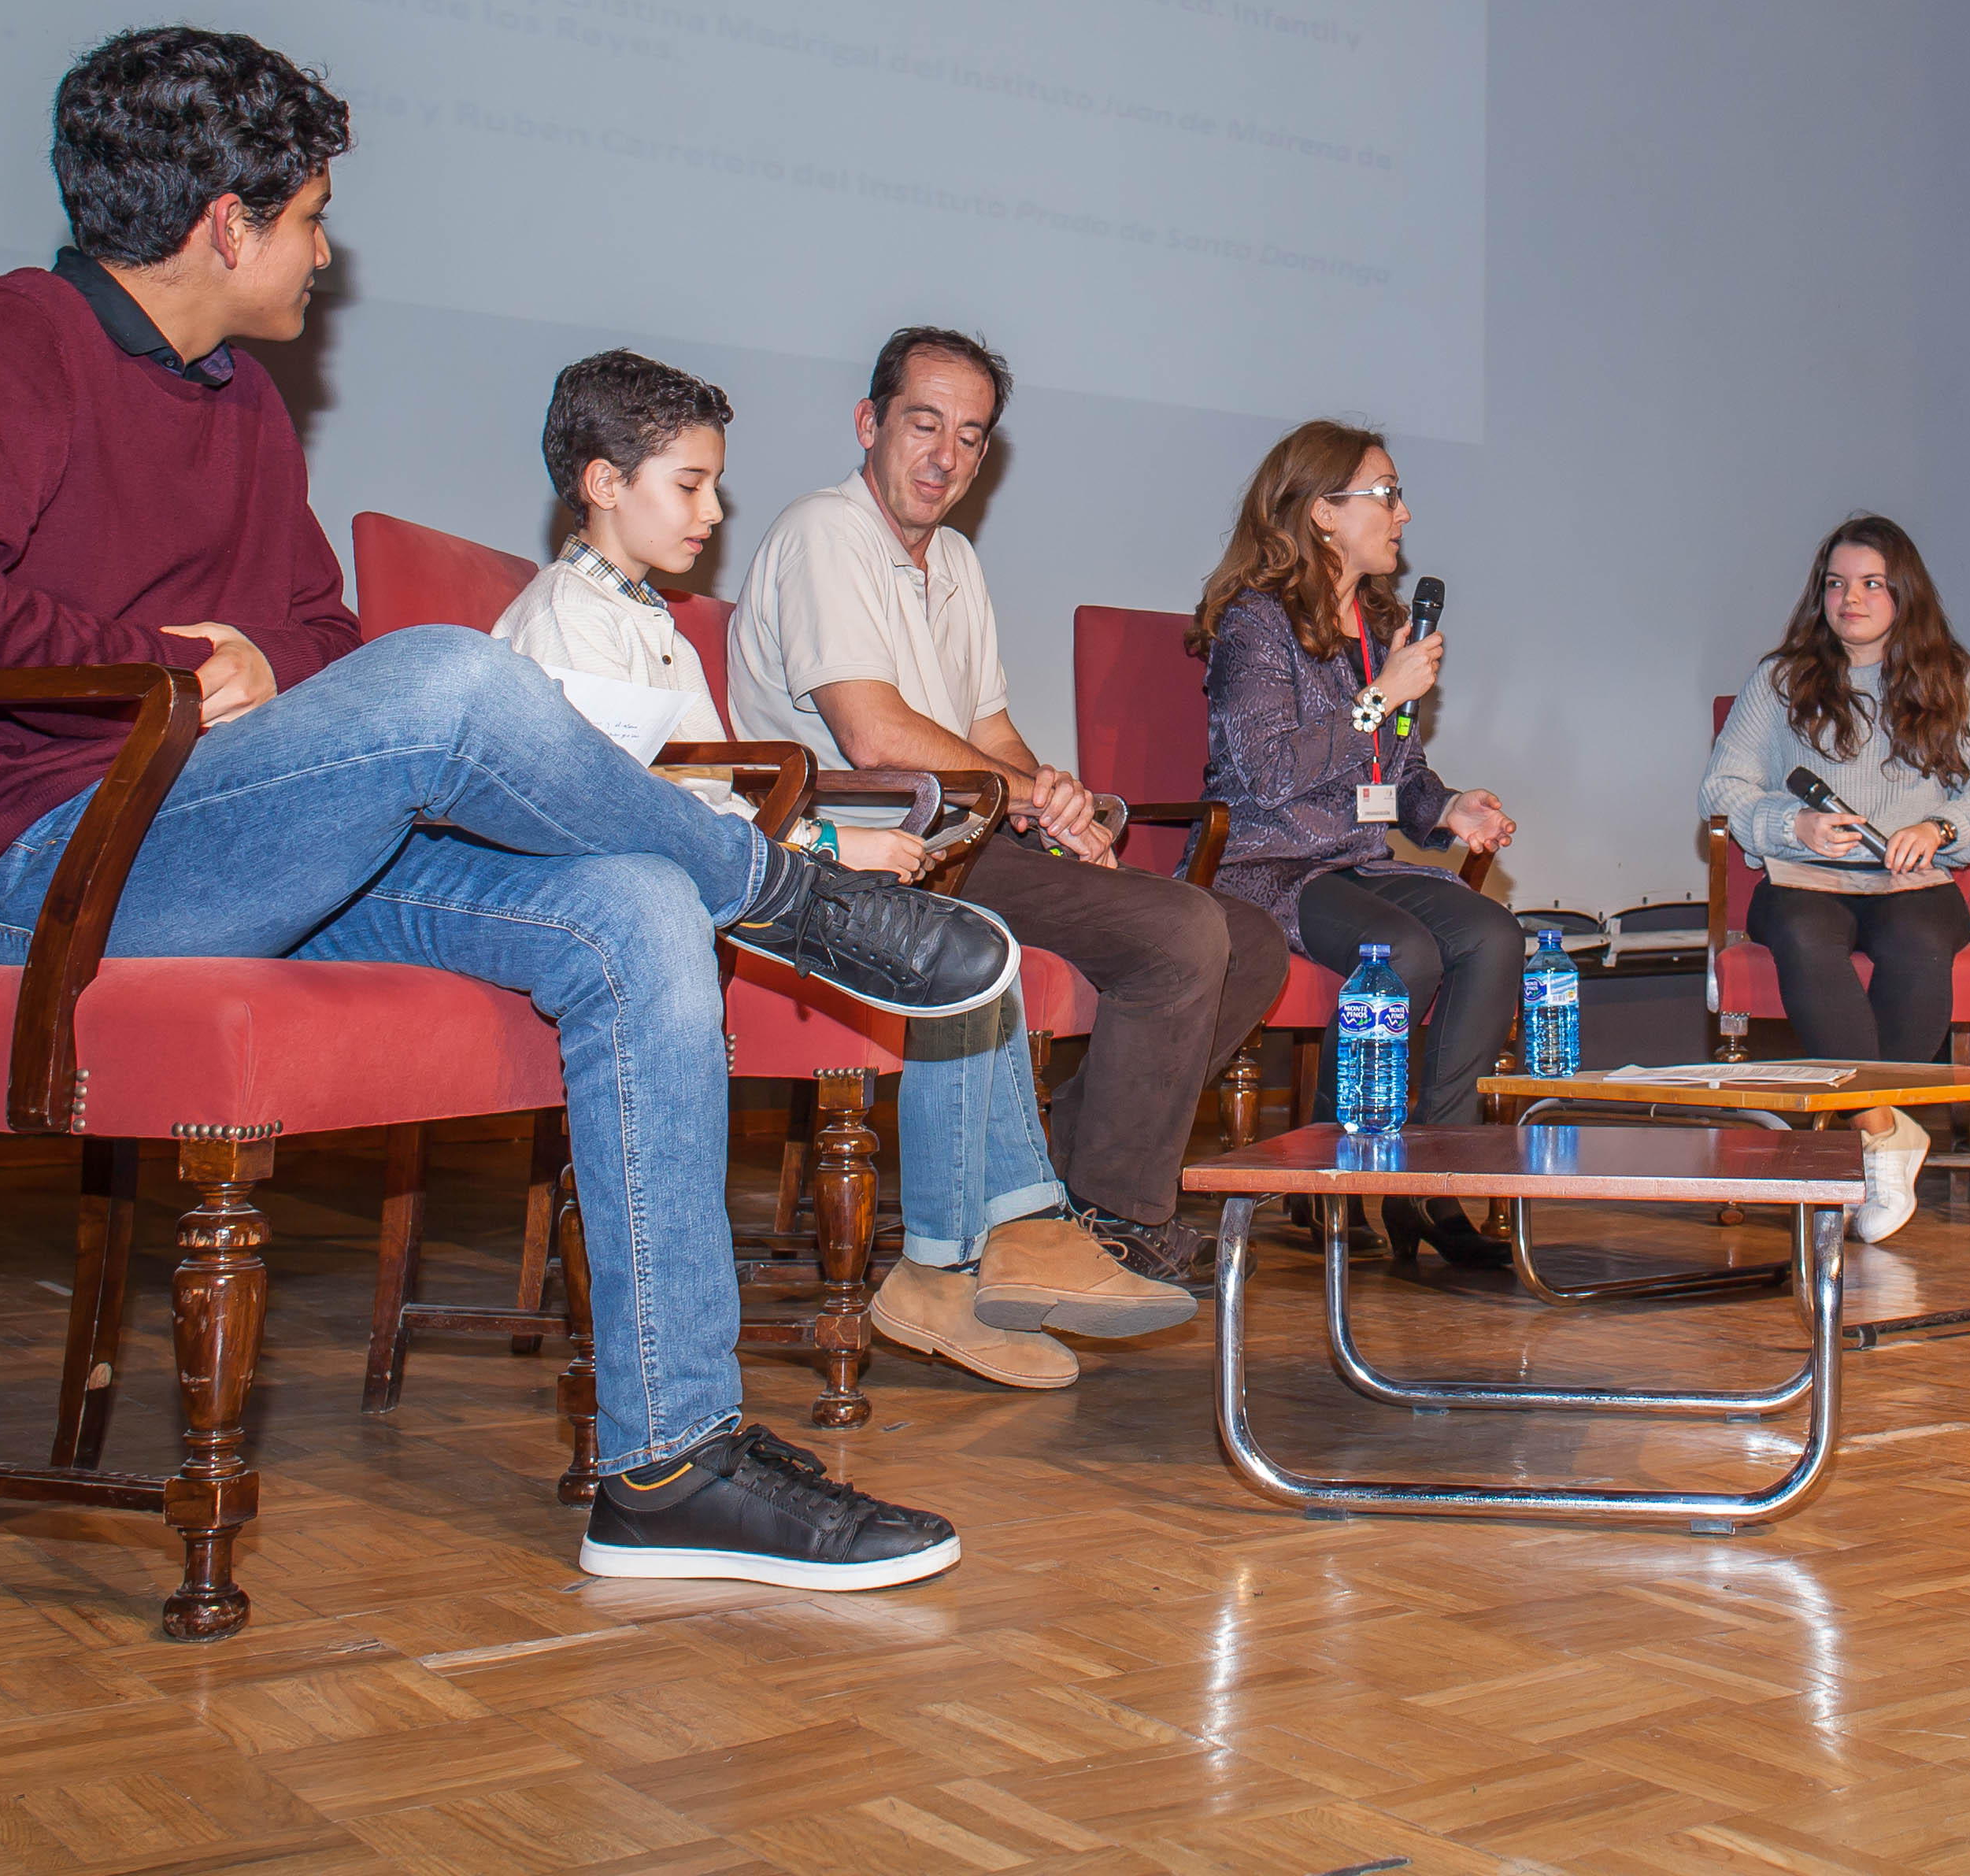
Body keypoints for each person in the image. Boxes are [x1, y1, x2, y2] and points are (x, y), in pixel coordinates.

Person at [0, 27, 1015, 1593]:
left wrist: (268, 671)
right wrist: (170, 661)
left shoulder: (244, 404)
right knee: (452, 678)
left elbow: (317, 638)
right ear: (226, 223)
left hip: (231, 845)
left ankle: (671, 1462)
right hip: (36, 867)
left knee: (636, 906)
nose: (327, 252)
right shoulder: (9, 337)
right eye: (313, 217)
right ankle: (785, 895)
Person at [491, 352, 1195, 1391]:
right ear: (604, 482)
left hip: (724, 875)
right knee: (958, 951)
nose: (715, 511)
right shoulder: (565, 623)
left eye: (714, 485)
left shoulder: (649, 622)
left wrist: (814, 840)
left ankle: (985, 1251)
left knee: (974, 945)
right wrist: (824, 846)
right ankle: (954, 1262)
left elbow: (713, 799)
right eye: (690, 485)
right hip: (650, 909)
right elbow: (627, 816)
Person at [728, 327, 1290, 1297]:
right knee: (1182, 930)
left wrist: (1057, 803)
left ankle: (1062, 1180)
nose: (945, 455)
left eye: (970, 435)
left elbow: (987, 729)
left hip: (964, 835)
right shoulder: (825, 532)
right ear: (869, 423)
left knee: (1252, 940)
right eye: (924, 423)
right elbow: (872, 732)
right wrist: (1023, 794)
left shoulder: (953, 560)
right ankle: (1114, 1214)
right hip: (868, 851)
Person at [1191, 421, 1522, 1267]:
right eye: (1386, 494)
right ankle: (1327, 1172)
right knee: (1402, 952)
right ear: (1323, 512)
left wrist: (1448, 809)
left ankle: (1433, 1182)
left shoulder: (1378, 626)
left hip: (1357, 861)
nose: (1403, 513)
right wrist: (1380, 699)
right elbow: (1267, 772)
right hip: (1271, 865)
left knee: (1493, 934)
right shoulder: (1254, 625)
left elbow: (1395, 772)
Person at [1701, 515, 1970, 1241]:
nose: (1851, 599)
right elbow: (1721, 787)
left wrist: (1938, 828)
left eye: (1872, 584)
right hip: (1804, 878)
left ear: (1904, 592)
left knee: (1918, 943)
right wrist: (1793, 823)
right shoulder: (1780, 679)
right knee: (1800, 934)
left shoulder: (1953, 679)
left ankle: (1869, 1142)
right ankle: (1883, 1132)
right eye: (1836, 584)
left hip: (1912, 881)